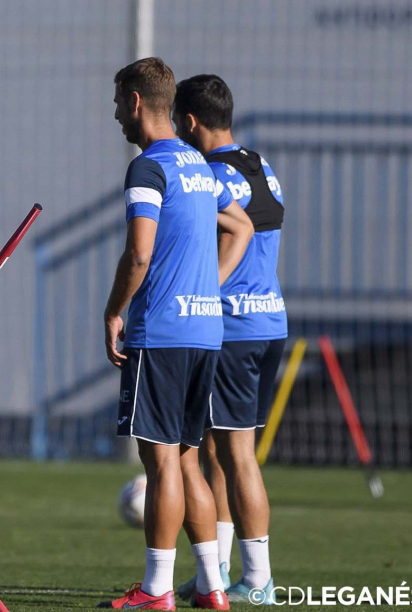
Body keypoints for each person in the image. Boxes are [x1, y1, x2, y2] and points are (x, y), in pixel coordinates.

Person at [99, 58, 253, 611]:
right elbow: (241, 227)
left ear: (136, 102)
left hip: (162, 333)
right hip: (205, 332)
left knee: (162, 462)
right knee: (189, 460)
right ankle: (213, 587)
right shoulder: (199, 164)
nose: (117, 115)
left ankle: (156, 590)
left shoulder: (150, 167)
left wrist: (114, 310)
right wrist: (207, 287)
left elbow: (139, 252)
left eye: (119, 103)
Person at [173, 74, 286, 605]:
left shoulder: (208, 174)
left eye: (178, 122)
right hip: (270, 321)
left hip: (234, 325)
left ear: (189, 122)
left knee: (234, 454)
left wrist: (200, 293)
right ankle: (213, 576)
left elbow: (229, 240)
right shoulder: (261, 166)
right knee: (221, 451)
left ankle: (258, 579)